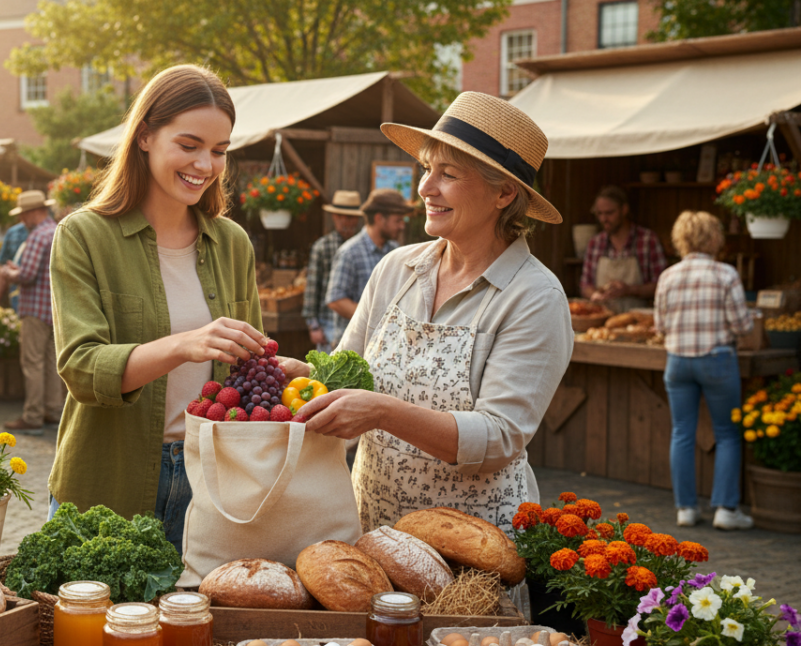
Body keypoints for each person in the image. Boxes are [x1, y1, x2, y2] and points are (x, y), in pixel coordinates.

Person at [285, 91, 574, 532]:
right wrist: (292, 374)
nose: (424, 188)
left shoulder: (534, 297)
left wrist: (383, 412)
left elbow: (498, 438)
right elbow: (345, 374)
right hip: (373, 530)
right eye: (426, 169)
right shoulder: (397, 268)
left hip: (474, 547)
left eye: (448, 174)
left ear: (504, 193)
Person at [50, 64, 265, 551]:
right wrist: (183, 345)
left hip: (211, 484)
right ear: (144, 136)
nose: (205, 165)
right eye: (189, 145)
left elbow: (250, 371)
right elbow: (82, 368)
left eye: (219, 151)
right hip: (109, 482)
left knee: (194, 626)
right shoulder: (83, 236)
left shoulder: (233, 243)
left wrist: (280, 371)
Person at [654, 211, 754, 530]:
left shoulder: (668, 276)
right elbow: (742, 325)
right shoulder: (726, 274)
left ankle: (686, 509)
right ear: (715, 238)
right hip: (717, 360)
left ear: (680, 238)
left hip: (677, 361)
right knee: (726, 433)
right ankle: (726, 510)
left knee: (682, 432)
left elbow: (660, 326)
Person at [0, 190, 66, 435]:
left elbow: (26, 275)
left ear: (31, 212)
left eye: (23, 214)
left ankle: (33, 415)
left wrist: (10, 273)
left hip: (35, 309)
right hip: (55, 309)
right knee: (51, 362)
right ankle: (53, 410)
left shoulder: (37, 235)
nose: (22, 220)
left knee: (32, 362)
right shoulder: (58, 230)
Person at [324, 188, 414, 344]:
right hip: (352, 347)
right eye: (398, 220)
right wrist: (376, 319)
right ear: (379, 218)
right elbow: (335, 300)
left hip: (386, 345)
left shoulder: (395, 250)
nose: (402, 226)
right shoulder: (349, 252)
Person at [579, 185, 666, 313]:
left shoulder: (647, 240)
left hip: (637, 319)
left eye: (609, 213)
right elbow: (585, 285)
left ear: (624, 210)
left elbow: (661, 285)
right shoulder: (595, 243)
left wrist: (629, 290)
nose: (604, 219)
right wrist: (594, 295)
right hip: (602, 320)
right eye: (600, 214)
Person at [303, 190, 364, 351]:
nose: (346, 221)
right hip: (328, 323)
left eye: (350, 217)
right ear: (334, 217)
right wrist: (314, 326)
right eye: (341, 216)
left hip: (356, 321)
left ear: (357, 219)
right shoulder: (322, 247)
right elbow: (312, 288)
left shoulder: (362, 247)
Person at [0, 221, 30, 312]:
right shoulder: (13, 232)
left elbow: (2, 263)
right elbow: (3, 264)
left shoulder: (45, 233)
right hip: (17, 297)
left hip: (31, 299)